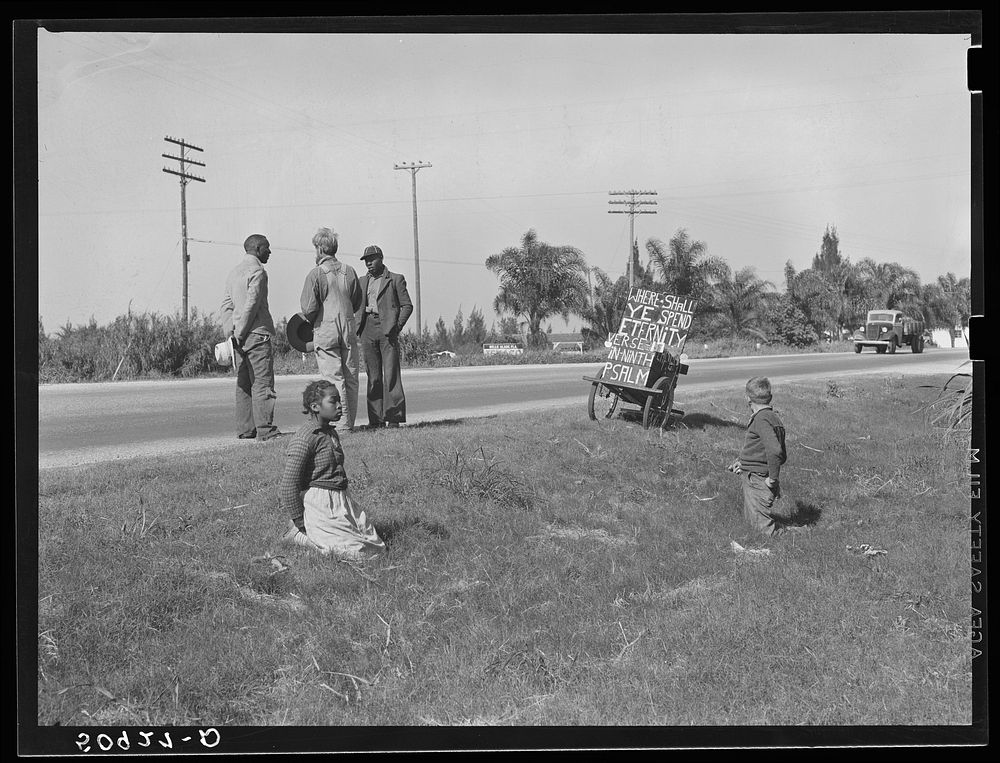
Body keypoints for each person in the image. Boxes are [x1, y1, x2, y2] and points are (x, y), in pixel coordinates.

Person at [278, 380, 386, 558]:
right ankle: (299, 536)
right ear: (315, 406)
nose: (339, 406)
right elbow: (289, 485)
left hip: (341, 500)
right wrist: (299, 520)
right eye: (333, 401)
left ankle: (326, 535)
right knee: (353, 554)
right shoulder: (305, 439)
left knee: (376, 548)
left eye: (340, 402)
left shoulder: (330, 432)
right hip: (320, 503)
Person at [297, 227, 363, 434]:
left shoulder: (315, 274)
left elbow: (308, 308)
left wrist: (313, 320)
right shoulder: (350, 271)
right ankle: (348, 423)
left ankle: (341, 426)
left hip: (325, 329)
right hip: (348, 328)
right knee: (351, 377)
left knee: (334, 377)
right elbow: (357, 300)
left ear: (319, 249)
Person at [221, 234, 280, 441]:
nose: (269, 252)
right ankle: (266, 430)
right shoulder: (258, 272)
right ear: (256, 248)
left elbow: (227, 306)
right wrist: (241, 332)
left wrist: (231, 335)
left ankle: (246, 429)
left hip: (238, 338)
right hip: (256, 335)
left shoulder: (234, 272)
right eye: (267, 248)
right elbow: (252, 305)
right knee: (262, 383)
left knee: (244, 383)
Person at [357, 245, 413, 428]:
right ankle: (376, 420)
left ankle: (394, 418)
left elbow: (407, 305)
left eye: (372, 259)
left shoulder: (395, 279)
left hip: (387, 331)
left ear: (381, 258)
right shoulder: (361, 281)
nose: (368, 263)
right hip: (367, 329)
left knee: (391, 375)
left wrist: (396, 327)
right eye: (366, 260)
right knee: (373, 377)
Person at [727, 376, 788, 537]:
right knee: (753, 524)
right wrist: (742, 462)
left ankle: (798, 534)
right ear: (771, 398)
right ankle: (783, 529)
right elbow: (759, 448)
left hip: (758, 478)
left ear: (747, 398)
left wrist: (773, 479)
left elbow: (775, 451)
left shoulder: (762, 420)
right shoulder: (772, 417)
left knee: (763, 531)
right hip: (754, 474)